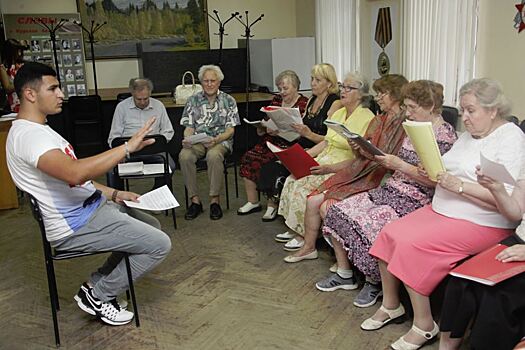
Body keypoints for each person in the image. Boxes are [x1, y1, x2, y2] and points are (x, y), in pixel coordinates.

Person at [362, 78, 525, 350]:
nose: (465, 117)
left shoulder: (510, 138)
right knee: (389, 233)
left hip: (481, 220)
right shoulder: (470, 136)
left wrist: (459, 186)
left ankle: (424, 324)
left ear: (493, 110)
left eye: (471, 111)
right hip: (443, 209)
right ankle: (391, 305)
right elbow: (449, 171)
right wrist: (434, 173)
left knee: (411, 245)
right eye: (462, 111)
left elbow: (505, 202)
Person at [6, 62, 171, 326]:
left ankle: (95, 284)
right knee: (159, 244)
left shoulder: (39, 130)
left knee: (150, 224)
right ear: (30, 94)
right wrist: (126, 148)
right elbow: (75, 174)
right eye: (54, 88)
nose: (61, 94)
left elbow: (72, 183)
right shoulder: (29, 137)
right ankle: (98, 295)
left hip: (89, 209)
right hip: (74, 225)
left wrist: (114, 193)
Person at [315, 80, 457, 309]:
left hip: (416, 198)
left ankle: (374, 281)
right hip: (393, 188)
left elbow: (434, 181)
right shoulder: (416, 126)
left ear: (430, 106)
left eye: (412, 108)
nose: (407, 113)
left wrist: (398, 164)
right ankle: (345, 274)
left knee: (370, 223)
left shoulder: (444, 136)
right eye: (406, 107)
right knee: (336, 210)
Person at [281, 74, 409, 263]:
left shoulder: (400, 123)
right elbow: (361, 152)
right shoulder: (379, 120)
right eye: (378, 93)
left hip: (373, 172)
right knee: (311, 196)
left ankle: (341, 263)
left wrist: (360, 151)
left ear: (396, 95)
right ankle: (309, 247)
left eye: (383, 94)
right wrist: (359, 147)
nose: (378, 98)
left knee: (321, 201)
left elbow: (391, 158)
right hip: (362, 165)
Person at [276, 72, 375, 253]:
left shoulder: (367, 118)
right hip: (325, 157)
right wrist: (304, 155)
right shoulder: (339, 113)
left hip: (343, 164)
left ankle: (304, 234)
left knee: (304, 185)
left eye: (348, 88)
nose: (343, 91)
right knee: (292, 178)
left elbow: (359, 157)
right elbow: (327, 141)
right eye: (342, 86)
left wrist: (327, 168)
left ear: (361, 94)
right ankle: (294, 226)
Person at [439, 167, 525, 350]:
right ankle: (447, 347)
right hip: (518, 241)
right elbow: (516, 214)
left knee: (496, 297)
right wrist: (497, 189)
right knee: (461, 279)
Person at [256, 63, 341, 221]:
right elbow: (302, 126)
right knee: (270, 164)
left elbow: (331, 140)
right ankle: (277, 208)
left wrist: (308, 134)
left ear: (329, 83)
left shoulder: (335, 103)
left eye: (318, 80)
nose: (313, 83)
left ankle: (287, 214)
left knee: (282, 169)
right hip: (302, 142)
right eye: (312, 79)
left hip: (319, 147)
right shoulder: (312, 100)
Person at [237, 70, 309, 217]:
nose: (282, 92)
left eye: (286, 88)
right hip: (271, 139)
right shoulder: (276, 100)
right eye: (280, 88)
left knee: (269, 163)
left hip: (291, 144)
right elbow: (267, 120)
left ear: (296, 87)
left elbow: (302, 132)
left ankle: (272, 204)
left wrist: (281, 132)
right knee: (249, 157)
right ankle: (253, 201)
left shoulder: (304, 104)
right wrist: (263, 128)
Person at [179, 64, 240, 220]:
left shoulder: (229, 100)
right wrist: (187, 139)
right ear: (201, 82)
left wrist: (217, 139)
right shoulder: (193, 100)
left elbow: (230, 130)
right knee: (184, 156)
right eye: (206, 81)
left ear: (219, 82)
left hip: (220, 141)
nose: (209, 84)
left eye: (213, 81)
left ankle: (215, 201)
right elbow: (189, 127)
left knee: (213, 155)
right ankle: (195, 201)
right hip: (198, 140)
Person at [108, 78, 175, 190]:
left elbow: (168, 130)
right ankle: (119, 200)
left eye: (146, 98)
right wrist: (120, 152)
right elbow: (114, 136)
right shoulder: (122, 107)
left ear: (150, 93)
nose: (143, 102)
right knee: (111, 171)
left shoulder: (158, 106)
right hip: (129, 152)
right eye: (139, 99)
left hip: (155, 151)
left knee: (170, 167)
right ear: (132, 94)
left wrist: (159, 143)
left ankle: (156, 194)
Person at [0, 39, 27, 112]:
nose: (19, 53)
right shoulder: (3, 68)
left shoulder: (21, 64)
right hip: (14, 101)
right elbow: (8, 87)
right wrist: (24, 83)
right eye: (17, 51)